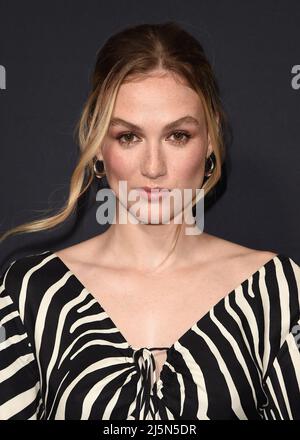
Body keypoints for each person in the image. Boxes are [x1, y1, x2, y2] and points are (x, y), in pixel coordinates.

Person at [0, 22, 299, 420]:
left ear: (209, 140)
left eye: (178, 135)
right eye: (129, 136)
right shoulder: (29, 296)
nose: (154, 168)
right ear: (99, 145)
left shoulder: (278, 292)